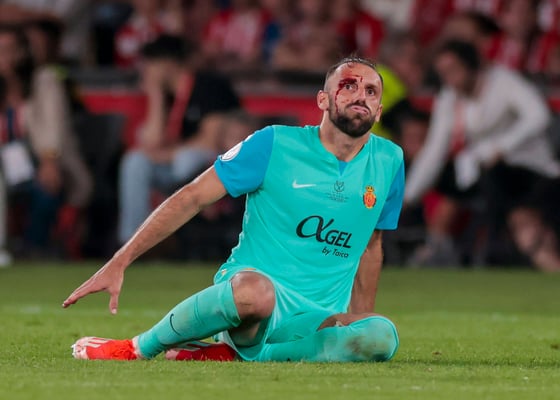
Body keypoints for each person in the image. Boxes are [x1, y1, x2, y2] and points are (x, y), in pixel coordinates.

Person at [62, 55, 405, 363]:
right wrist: (121, 260)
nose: (361, 96)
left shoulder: (389, 160)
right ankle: (138, 347)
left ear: (379, 111)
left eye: (371, 92)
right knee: (257, 294)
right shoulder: (274, 143)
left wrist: (357, 323)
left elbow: (371, 246)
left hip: (316, 319)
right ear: (323, 100)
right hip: (251, 303)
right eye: (349, 86)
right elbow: (193, 197)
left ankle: (236, 356)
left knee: (382, 336)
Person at [405, 40, 560, 270]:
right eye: (443, 73)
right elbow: (433, 151)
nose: (449, 79)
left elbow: (539, 115)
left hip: (533, 172)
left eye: (453, 70)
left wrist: (501, 147)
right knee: (450, 176)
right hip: (493, 179)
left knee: (498, 182)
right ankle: (438, 244)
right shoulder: (449, 98)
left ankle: (494, 249)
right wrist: (408, 195)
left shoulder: (503, 81)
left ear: (470, 65)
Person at [117, 34, 240, 245]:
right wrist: (155, 95)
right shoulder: (166, 95)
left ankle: (185, 237)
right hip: (174, 167)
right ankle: (133, 242)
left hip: (211, 168)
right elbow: (151, 144)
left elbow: (209, 142)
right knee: (135, 161)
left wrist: (165, 155)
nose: (145, 72)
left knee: (187, 158)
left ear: (167, 64)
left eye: (150, 65)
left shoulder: (209, 85)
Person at [0, 24, 92, 257]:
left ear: (23, 52)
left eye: (10, 50)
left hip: (44, 158)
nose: (4, 57)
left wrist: (49, 158)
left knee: (46, 185)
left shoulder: (45, 80)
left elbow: (54, 125)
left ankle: (34, 248)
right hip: (5, 166)